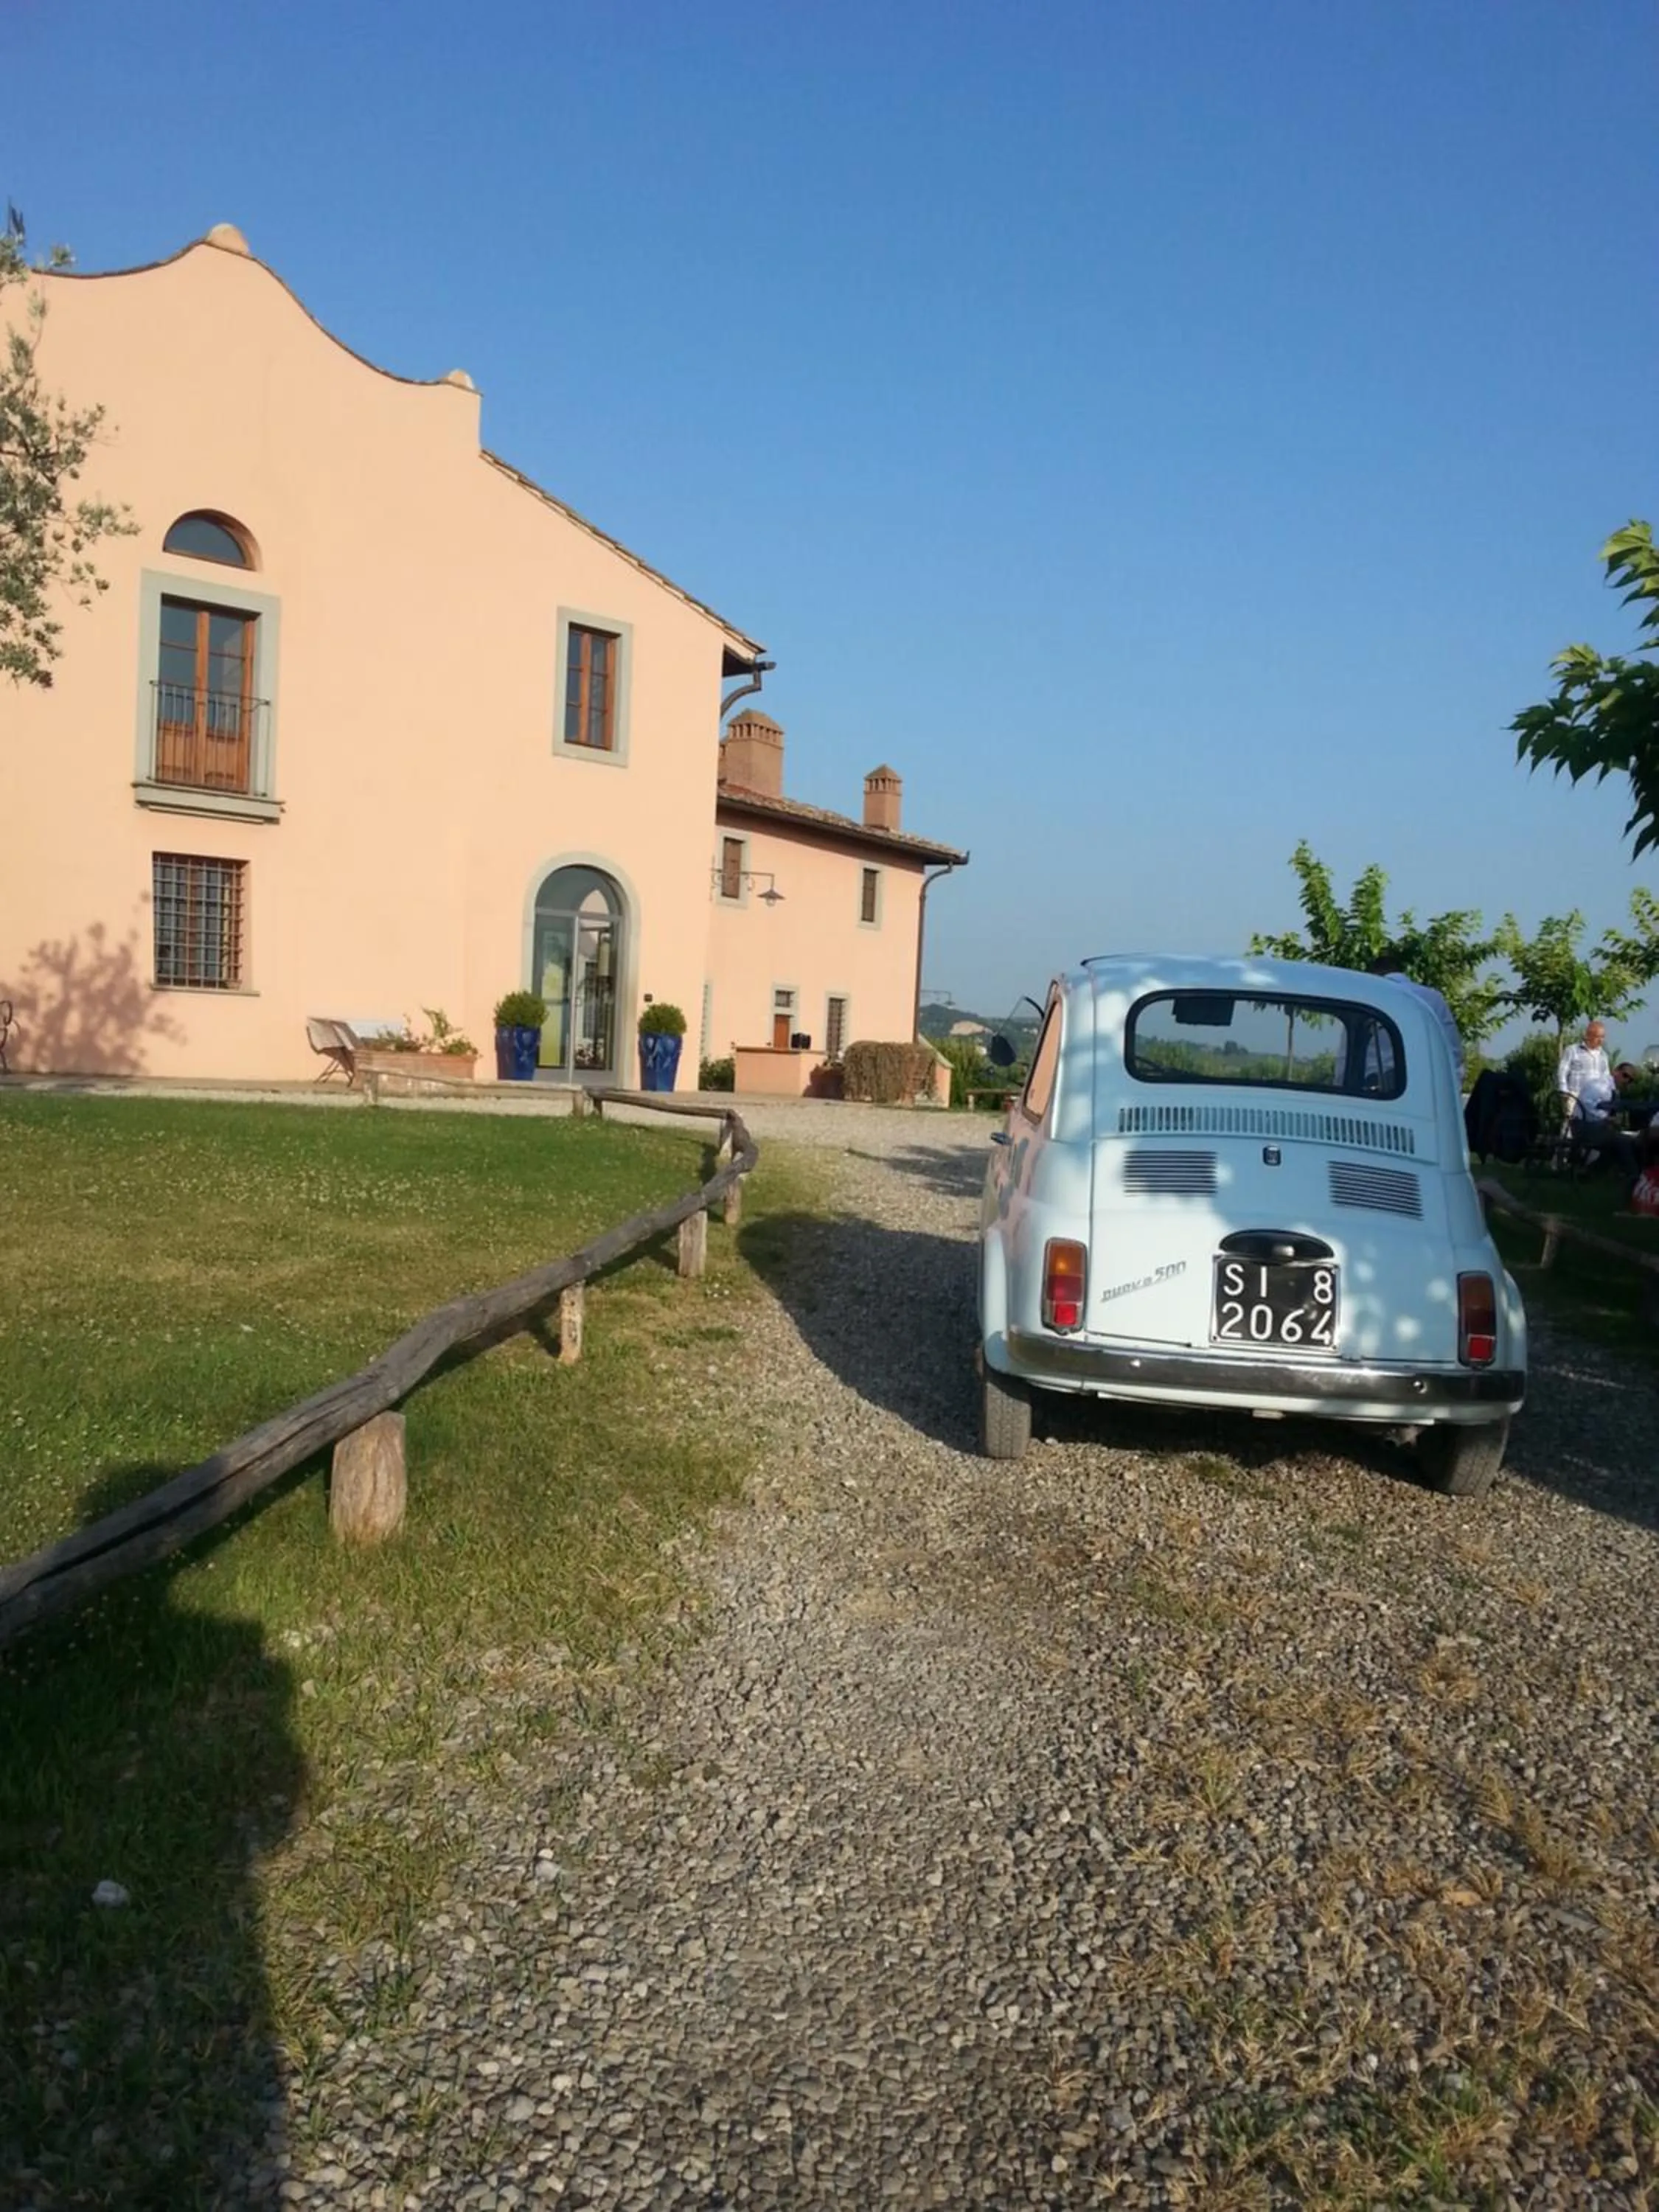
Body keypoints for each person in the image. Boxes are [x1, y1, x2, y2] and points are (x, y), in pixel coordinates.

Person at [1366, 953, 1466, 1089]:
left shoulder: (1369, 997)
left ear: (1373, 975)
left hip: (1377, 1087)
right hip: (1427, 1084)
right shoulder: (1433, 998)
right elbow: (1453, 1050)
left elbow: (1345, 1056)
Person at [1557, 1019, 1641, 1178]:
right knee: (1567, 1131)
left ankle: (1588, 1168)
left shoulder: (1603, 1056)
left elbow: (1605, 1076)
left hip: (1597, 1097)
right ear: (1588, 1035)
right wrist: (1564, 1092)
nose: (1601, 1040)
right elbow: (1563, 1071)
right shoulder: (1573, 1051)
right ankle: (1562, 1164)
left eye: (1603, 1037)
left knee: (1600, 1132)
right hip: (1576, 1094)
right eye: (1597, 1037)